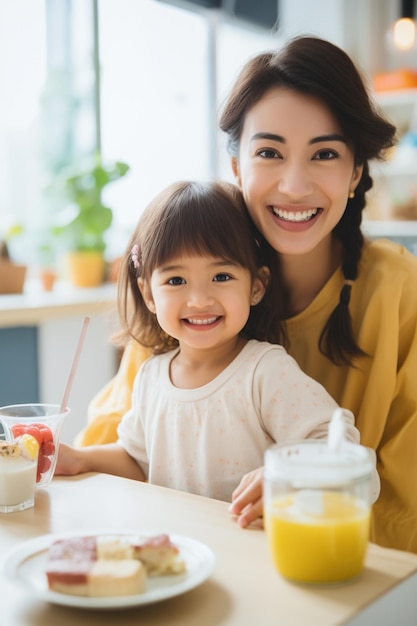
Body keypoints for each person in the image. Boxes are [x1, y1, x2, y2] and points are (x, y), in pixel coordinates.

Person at [76, 35, 417, 553]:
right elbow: (122, 455)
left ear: (354, 174)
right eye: (269, 152)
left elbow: (400, 510)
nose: (295, 186)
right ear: (237, 167)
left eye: (324, 153)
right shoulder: (186, 298)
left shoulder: (401, 293)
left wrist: (303, 492)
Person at [56, 179, 366, 513]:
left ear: (256, 286)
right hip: (177, 556)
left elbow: (337, 444)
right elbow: (137, 460)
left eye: (221, 277)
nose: (200, 299)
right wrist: (79, 458)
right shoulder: (151, 377)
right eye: (176, 280)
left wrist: (286, 475)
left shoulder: (264, 371)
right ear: (149, 294)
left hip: (249, 553)